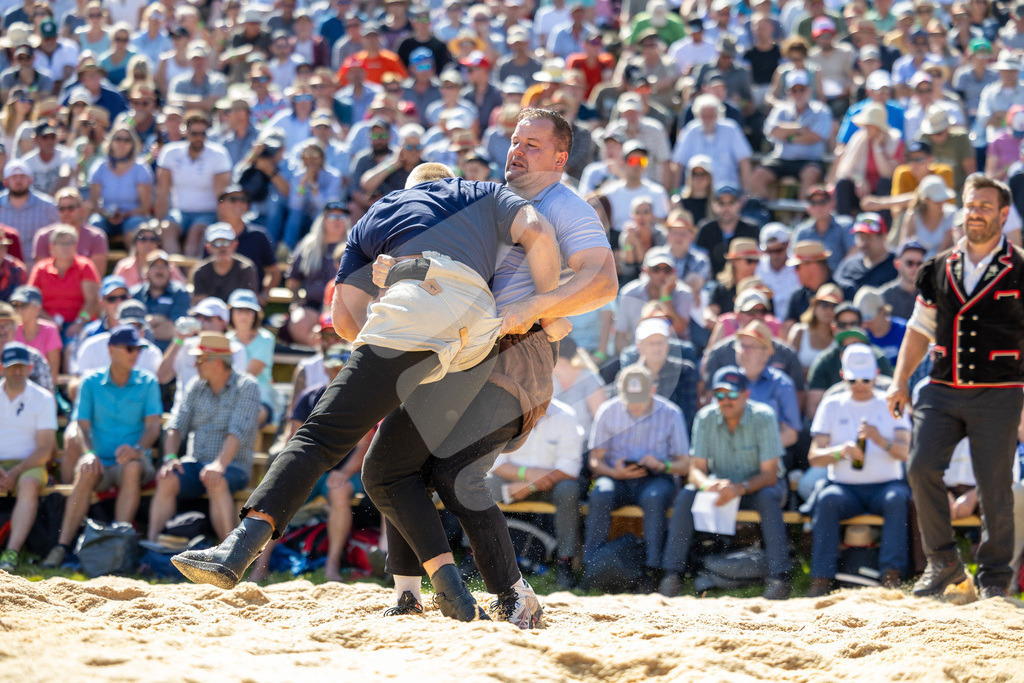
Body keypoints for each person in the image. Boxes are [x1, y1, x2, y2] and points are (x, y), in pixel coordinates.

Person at [172, 163, 563, 623]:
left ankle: (238, 549)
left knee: (320, 436)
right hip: (480, 330)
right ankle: (445, 591)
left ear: (409, 191)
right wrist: (545, 305)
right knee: (390, 468)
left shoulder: (383, 209)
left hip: (417, 297)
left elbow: (343, 319)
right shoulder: (482, 192)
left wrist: (379, 367)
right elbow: (536, 230)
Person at [887, 174, 1024, 599]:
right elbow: (919, 327)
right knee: (921, 465)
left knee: (995, 484)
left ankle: (994, 578)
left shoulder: (1021, 267)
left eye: (985, 205)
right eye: (970, 205)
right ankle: (944, 561)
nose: (976, 213)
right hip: (942, 386)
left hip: (1001, 391)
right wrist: (899, 381)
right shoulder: (938, 266)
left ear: (1003, 214)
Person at [659, 365, 791, 599]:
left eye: (732, 394)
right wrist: (708, 486)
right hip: (721, 489)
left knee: (768, 497)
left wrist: (739, 488)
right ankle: (672, 574)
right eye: (720, 394)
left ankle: (779, 577)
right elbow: (695, 470)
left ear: (746, 394)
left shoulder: (764, 416)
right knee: (688, 494)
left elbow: (770, 474)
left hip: (758, 487)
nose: (725, 400)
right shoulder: (705, 417)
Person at [41, 325, 162, 569]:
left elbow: (154, 427)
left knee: (131, 467)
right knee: (86, 469)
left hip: (134, 462)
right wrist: (88, 453)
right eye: (129, 348)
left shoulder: (148, 381)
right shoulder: (90, 382)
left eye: (137, 349)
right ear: (111, 350)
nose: (134, 354)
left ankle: (118, 545)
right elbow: (80, 426)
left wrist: (137, 449)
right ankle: (62, 546)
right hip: (99, 462)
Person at [807, 344, 911, 596]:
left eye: (865, 378)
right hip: (844, 488)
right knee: (827, 499)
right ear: (843, 376)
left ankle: (891, 575)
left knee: (897, 499)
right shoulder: (831, 404)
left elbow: (906, 452)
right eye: (853, 379)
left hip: (886, 485)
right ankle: (821, 578)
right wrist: (839, 452)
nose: (860, 384)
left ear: (876, 375)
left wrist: (879, 440)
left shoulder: (892, 405)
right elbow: (814, 457)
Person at [147, 331, 261, 546]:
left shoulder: (247, 386)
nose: (194, 365)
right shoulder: (196, 386)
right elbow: (175, 425)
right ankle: (153, 545)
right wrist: (170, 457)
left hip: (233, 466)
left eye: (199, 359)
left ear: (217, 362)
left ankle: (229, 552)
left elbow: (237, 432)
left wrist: (219, 465)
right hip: (196, 463)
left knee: (215, 480)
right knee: (166, 478)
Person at [583, 364, 689, 592]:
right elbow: (595, 460)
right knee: (600, 493)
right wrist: (614, 472)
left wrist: (662, 465)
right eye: (629, 397)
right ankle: (590, 566)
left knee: (655, 498)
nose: (634, 403)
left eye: (639, 397)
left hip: (656, 478)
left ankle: (651, 571)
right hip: (616, 477)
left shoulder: (671, 413)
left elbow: (686, 463)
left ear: (653, 390)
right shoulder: (607, 411)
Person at [486, 398, 586, 589]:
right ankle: (472, 556)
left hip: (553, 483)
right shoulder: (506, 414)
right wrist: (526, 475)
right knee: (481, 487)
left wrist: (530, 484)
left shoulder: (566, 416)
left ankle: (565, 562)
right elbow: (494, 462)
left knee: (569, 490)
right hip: (512, 480)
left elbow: (571, 468)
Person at [0, 342, 57, 573]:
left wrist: (14, 472)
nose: (16, 371)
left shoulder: (42, 398)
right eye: (12, 366)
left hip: (30, 464)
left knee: (29, 483)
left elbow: (45, 449)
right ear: (2, 367)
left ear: (30, 368)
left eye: (21, 367)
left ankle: (11, 552)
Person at [226, 289, 276, 427]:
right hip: (229, 401)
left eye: (248, 310)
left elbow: (248, 377)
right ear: (231, 313)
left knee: (246, 417)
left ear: (255, 314)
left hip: (261, 401)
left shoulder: (266, 339)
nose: (243, 315)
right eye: (239, 310)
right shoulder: (226, 340)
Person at [130, 249, 191, 350]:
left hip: (170, 353)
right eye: (154, 266)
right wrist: (160, 321)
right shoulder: (134, 294)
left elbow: (176, 330)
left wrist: (143, 327)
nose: (159, 271)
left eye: (163, 266)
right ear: (146, 271)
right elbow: (129, 329)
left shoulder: (180, 293)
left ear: (170, 271)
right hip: (138, 353)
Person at [833, 212, 898, 300]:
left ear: (883, 236)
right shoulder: (849, 264)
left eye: (868, 238)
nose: (863, 243)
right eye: (860, 237)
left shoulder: (897, 265)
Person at [190, 223, 259, 303]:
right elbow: (201, 305)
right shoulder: (200, 271)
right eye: (217, 243)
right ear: (208, 247)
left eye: (226, 242)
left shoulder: (246, 269)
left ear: (235, 244)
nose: (222, 247)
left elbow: (247, 305)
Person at [10, 285, 61, 385]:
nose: (18, 310)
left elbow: (53, 374)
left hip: (42, 388)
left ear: (37, 308)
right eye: (15, 305)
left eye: (23, 305)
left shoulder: (50, 330)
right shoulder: (11, 330)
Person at [879, 241, 926, 320]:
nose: (915, 268)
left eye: (919, 264)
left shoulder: (929, 294)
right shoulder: (883, 296)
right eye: (909, 263)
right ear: (897, 264)